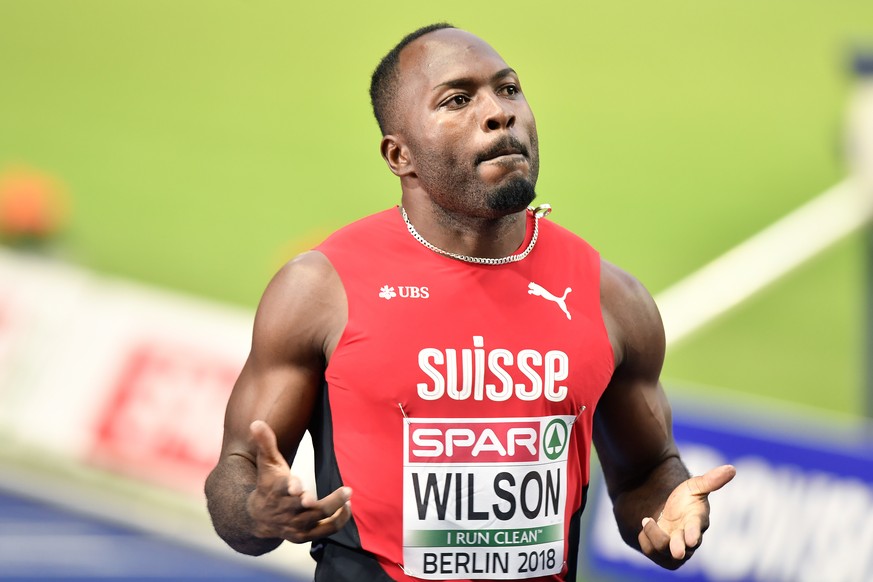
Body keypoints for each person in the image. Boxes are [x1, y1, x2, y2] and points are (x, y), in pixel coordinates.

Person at [204, 23, 736, 581]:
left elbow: (645, 471)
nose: (499, 112)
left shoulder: (610, 297)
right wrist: (259, 513)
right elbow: (236, 475)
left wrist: (667, 511)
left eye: (508, 89)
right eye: (458, 99)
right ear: (399, 154)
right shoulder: (321, 289)